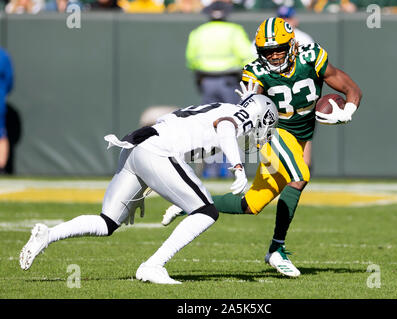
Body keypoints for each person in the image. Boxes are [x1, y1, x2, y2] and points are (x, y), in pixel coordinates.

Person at [163, 17, 362, 278]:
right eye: (268, 51)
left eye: (279, 48)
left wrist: (348, 110)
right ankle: (277, 249)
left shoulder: (311, 57)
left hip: (298, 137)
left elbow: (350, 87)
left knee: (250, 204)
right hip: (272, 136)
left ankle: (191, 201)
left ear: (291, 45)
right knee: (300, 177)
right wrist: (248, 105)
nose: (275, 55)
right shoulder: (255, 71)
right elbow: (251, 105)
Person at [19, 94, 278, 284]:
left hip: (138, 146)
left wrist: (147, 181)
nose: (265, 133)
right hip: (157, 151)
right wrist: (238, 167)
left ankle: (48, 234)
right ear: (262, 116)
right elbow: (225, 127)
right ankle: (153, 265)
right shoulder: (240, 117)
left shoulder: (223, 107)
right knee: (207, 212)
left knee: (107, 222)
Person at [185, 0, 256, 178]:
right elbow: (247, 57)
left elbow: (190, 58)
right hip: (229, 81)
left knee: (209, 125)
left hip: (207, 80)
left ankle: (211, 169)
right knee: (232, 124)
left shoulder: (198, 32)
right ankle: (231, 167)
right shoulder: (234, 31)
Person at [0, 48, 14, 174]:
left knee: (1, 134)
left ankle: (1, 167)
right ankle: (2, 168)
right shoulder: (3, 55)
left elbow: (9, 81)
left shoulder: (2, 56)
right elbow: (9, 81)